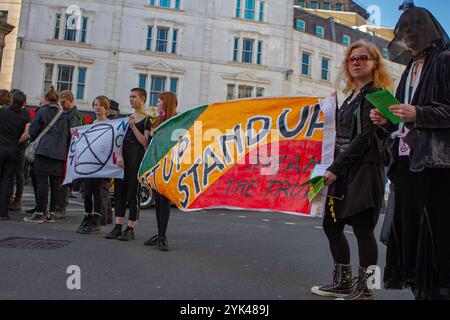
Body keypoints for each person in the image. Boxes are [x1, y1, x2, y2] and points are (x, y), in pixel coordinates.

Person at [370, 2, 450, 300]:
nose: (409, 34)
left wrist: (418, 113)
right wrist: (386, 121)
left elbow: (431, 113)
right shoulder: (409, 69)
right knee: (414, 240)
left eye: (415, 27)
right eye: (404, 29)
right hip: (407, 166)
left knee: (435, 240)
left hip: (436, 168)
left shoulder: (445, 60)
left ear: (429, 30)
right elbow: (402, 124)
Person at [311, 40, 393, 300]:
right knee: (331, 226)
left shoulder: (377, 95)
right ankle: (343, 282)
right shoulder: (350, 98)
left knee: (362, 230)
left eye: (362, 58)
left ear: (374, 64)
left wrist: (335, 168)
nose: (356, 62)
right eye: (351, 59)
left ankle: (367, 288)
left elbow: (366, 138)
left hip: (364, 170)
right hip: (343, 169)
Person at [105, 88, 151, 241]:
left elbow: (145, 142)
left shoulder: (147, 120)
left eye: (134, 97)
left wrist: (133, 127)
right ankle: (117, 226)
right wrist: (119, 156)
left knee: (133, 194)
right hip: (123, 160)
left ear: (142, 99)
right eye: (130, 96)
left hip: (136, 160)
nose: (131, 99)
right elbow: (119, 140)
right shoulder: (125, 118)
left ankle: (130, 227)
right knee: (119, 194)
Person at [24, 86, 70, 223]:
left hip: (44, 151)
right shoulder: (64, 114)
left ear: (45, 99)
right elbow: (67, 136)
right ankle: (50, 213)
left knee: (42, 181)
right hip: (59, 153)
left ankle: (39, 212)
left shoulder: (42, 111)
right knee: (55, 184)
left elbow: (33, 130)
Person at [144, 92, 178, 251]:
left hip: (169, 167)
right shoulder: (156, 120)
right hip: (156, 167)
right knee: (158, 202)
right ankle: (160, 233)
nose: (157, 104)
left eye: (159, 102)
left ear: (166, 104)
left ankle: (162, 236)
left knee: (164, 202)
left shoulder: (178, 121)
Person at [77, 96, 112, 234]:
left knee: (98, 192)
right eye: (96, 105)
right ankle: (87, 217)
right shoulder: (91, 123)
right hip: (89, 163)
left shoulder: (111, 124)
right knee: (87, 192)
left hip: (102, 163)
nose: (98, 107)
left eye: (101, 105)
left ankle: (96, 219)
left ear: (106, 108)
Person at [55, 90, 85, 219]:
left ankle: (60, 208)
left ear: (70, 100)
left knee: (64, 180)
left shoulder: (75, 115)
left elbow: (74, 135)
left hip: (68, 151)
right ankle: (58, 206)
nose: (62, 104)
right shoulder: (65, 113)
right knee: (60, 179)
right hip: (62, 149)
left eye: (64, 102)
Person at [0, 91, 29, 220]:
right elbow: (26, 134)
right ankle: (3, 212)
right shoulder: (25, 115)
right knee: (8, 180)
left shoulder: (3, 111)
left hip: (1, 146)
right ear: (23, 103)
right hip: (13, 149)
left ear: (12, 100)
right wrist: (16, 142)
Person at [8, 89, 30, 212]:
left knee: (15, 173)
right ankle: (15, 198)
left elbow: (26, 134)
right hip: (19, 147)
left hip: (15, 147)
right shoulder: (25, 113)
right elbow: (26, 133)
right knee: (17, 173)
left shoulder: (7, 111)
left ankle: (15, 198)